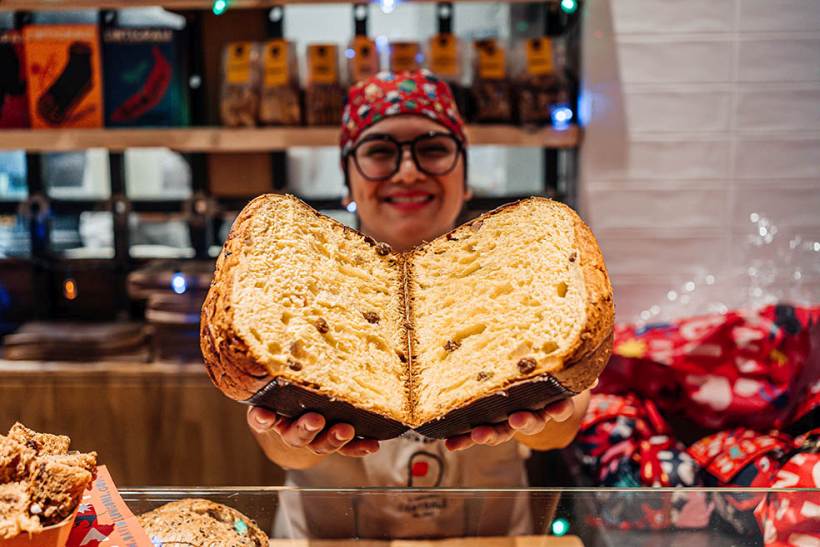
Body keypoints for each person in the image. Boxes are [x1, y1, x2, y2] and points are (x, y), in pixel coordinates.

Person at [246, 69, 591, 538]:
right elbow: (280, 450)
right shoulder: (298, 281)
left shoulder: (520, 280)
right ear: (347, 180)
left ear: (465, 175)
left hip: (484, 541)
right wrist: (297, 437)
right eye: (379, 152)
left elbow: (560, 431)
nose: (408, 171)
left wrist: (546, 413)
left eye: (432, 149)